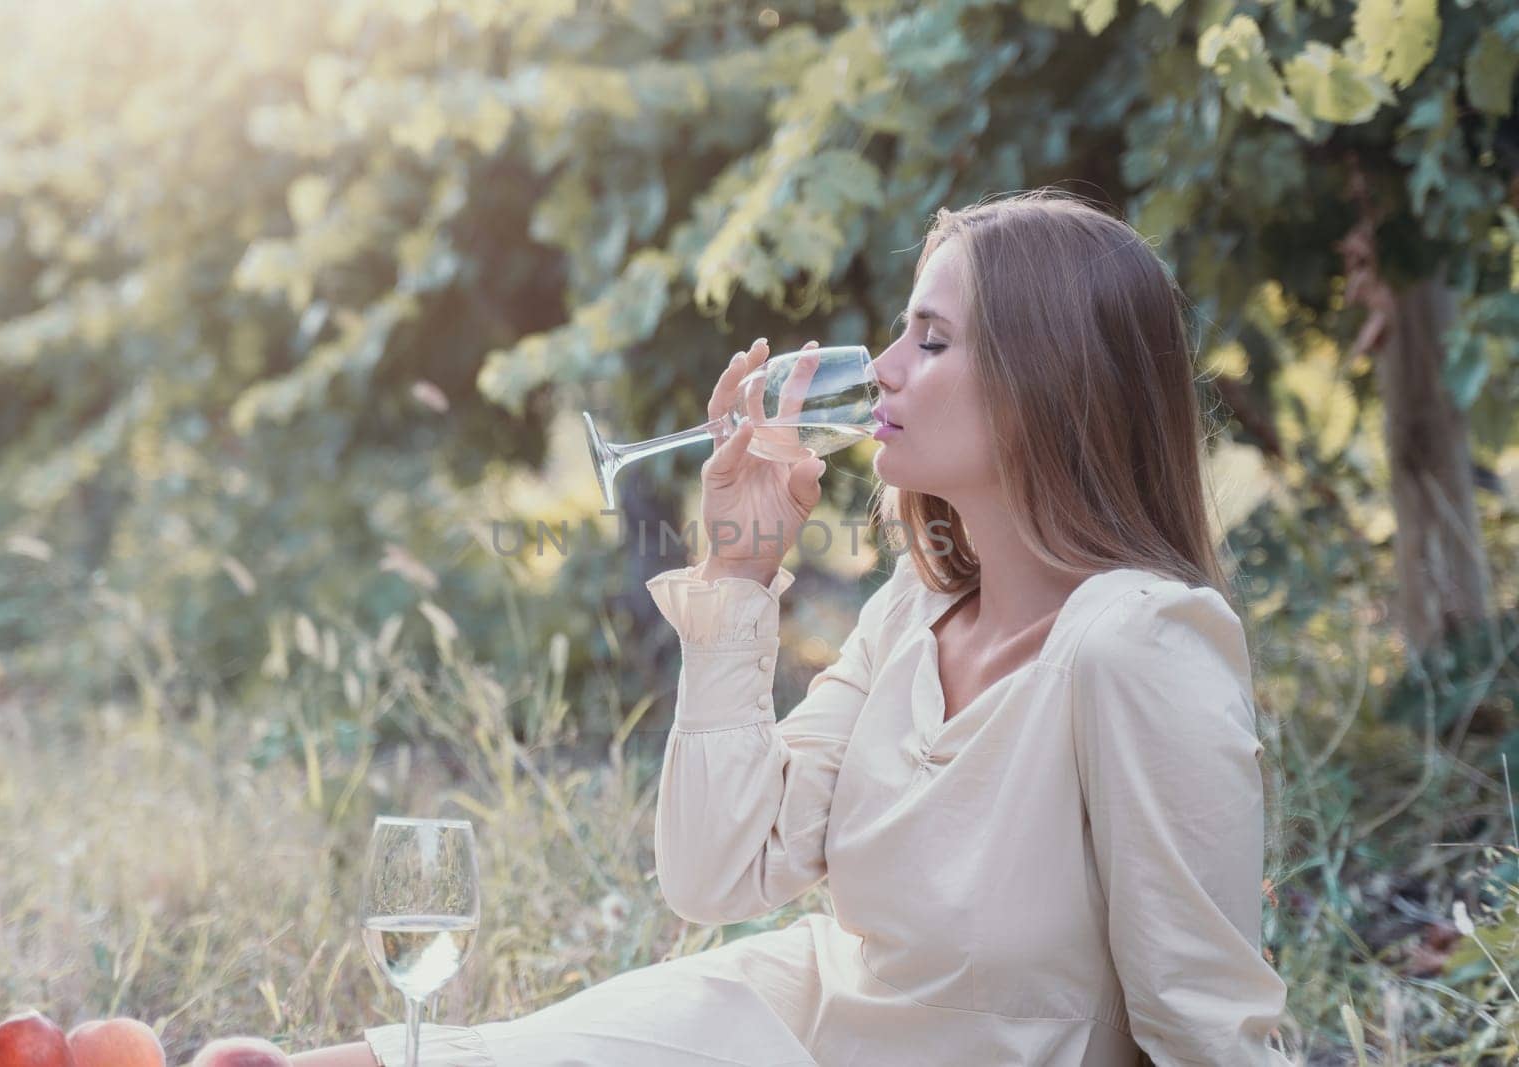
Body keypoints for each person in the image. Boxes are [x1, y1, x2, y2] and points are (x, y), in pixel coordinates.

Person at [292, 189, 1293, 1067]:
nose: (886, 370)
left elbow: (1210, 1022)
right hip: (786, 1019)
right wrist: (736, 572)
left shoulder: (1139, 641)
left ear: (1053, 380)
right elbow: (715, 871)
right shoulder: (913, 606)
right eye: (902, 332)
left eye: (933, 340)